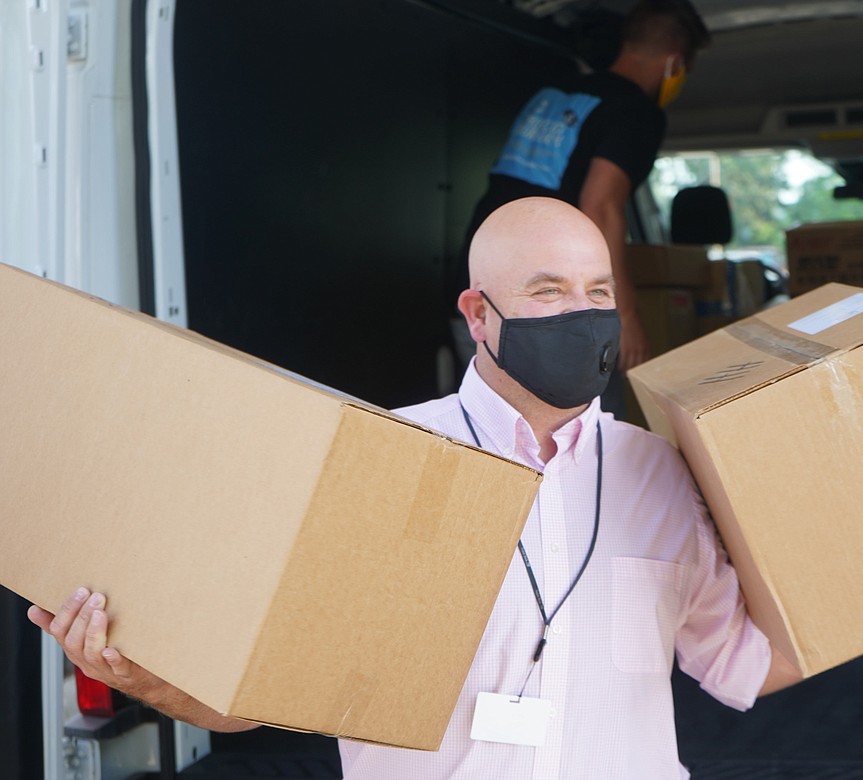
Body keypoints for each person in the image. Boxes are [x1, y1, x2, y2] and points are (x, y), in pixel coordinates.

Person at [31, 198, 799, 779]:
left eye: (599, 293)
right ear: (479, 314)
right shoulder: (381, 463)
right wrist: (139, 678)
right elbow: (250, 702)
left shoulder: (661, 473)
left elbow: (743, 661)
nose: (584, 315)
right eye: (549, 292)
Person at [449, 0, 711, 379]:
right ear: (675, 62)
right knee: (577, 430)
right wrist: (626, 314)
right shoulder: (636, 112)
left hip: (477, 284)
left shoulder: (551, 94)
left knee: (484, 424)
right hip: (546, 307)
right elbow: (601, 206)